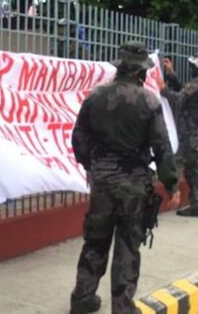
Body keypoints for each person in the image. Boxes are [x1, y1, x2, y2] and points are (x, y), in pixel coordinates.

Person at [70, 41, 181, 314]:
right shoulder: (148, 101)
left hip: (102, 183)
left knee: (95, 241)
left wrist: (91, 166)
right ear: (140, 71)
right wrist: (172, 185)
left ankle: (83, 299)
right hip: (134, 186)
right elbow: (162, 147)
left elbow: (79, 138)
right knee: (128, 246)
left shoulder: (95, 96)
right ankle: (122, 307)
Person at [158, 53, 198, 217]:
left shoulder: (197, 82)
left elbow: (178, 98)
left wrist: (163, 89)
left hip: (194, 131)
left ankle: (196, 206)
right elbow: (184, 90)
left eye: (192, 66)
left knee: (190, 168)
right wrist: (171, 74)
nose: (190, 68)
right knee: (195, 166)